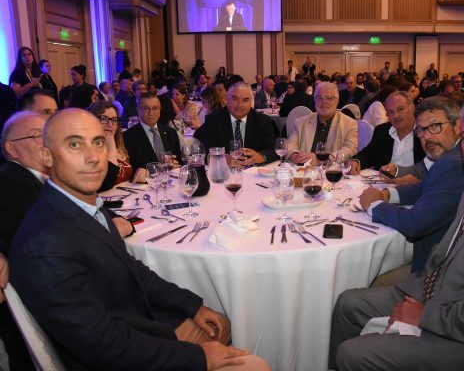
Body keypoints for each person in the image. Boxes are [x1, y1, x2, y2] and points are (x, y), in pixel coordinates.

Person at [10, 108, 270, 371]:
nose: (93, 157)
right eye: (74, 144)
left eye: (98, 142)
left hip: (138, 327)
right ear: (46, 155)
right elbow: (104, 345)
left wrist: (192, 306)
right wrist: (199, 357)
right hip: (123, 354)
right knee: (257, 364)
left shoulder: (83, 207)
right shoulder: (44, 243)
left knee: (224, 321)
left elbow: (132, 270)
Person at [329, 95, 464, 371]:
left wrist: (425, 316)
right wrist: (420, 295)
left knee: (351, 354)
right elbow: (445, 255)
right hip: (440, 293)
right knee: (347, 304)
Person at [359, 97, 464, 272]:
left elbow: (414, 224)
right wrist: (388, 194)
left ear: (457, 126)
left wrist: (374, 205)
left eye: (435, 126)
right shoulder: (457, 154)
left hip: (436, 266)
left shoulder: (452, 163)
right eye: (421, 130)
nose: (427, 137)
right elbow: (428, 185)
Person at [0, 111, 47, 370]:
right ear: (11, 149)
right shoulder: (13, 180)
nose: (46, 142)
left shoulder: (36, 179)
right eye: (37, 136)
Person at [199, 82, 278, 166]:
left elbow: (274, 149)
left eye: (245, 100)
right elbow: (204, 153)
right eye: (235, 99)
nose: (240, 105)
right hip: (226, 172)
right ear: (227, 99)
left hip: (254, 171)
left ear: (251, 102)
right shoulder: (213, 120)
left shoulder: (263, 120)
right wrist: (220, 158)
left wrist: (261, 156)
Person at [351, 91, 425, 174]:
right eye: (391, 112)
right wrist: (356, 161)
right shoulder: (382, 131)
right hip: (382, 180)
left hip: (413, 180)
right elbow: (368, 155)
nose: (396, 115)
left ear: (412, 108)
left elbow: (428, 167)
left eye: (400, 109)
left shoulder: (424, 132)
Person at [287, 82, 358, 165]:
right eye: (319, 98)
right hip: (304, 170)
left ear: (337, 101)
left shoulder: (350, 124)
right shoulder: (300, 123)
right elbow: (290, 145)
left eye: (329, 98)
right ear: (314, 100)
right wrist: (295, 156)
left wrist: (323, 160)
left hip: (332, 170)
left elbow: (349, 150)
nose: (324, 102)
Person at [87, 101, 146, 188]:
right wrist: (111, 146)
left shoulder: (121, 144)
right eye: (104, 119)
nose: (110, 124)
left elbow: (134, 170)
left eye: (114, 120)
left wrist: (140, 170)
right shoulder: (87, 151)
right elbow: (105, 184)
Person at [123, 93, 182, 174]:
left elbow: (179, 162)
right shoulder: (128, 137)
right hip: (146, 181)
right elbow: (131, 169)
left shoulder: (170, 132)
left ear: (160, 111)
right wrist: (158, 168)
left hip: (172, 179)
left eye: (155, 108)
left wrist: (176, 165)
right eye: (146, 108)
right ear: (138, 110)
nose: (151, 113)